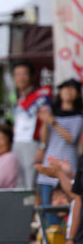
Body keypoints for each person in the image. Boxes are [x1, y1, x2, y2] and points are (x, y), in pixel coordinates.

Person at [36, 78, 83, 226]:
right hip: (48, 166)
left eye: (72, 89)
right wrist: (45, 121)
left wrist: (53, 122)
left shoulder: (79, 117)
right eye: (65, 88)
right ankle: (52, 242)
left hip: (67, 169)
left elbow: (71, 138)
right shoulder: (52, 113)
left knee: (69, 208)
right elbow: (44, 139)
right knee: (48, 210)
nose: (68, 92)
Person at [10, 60, 52, 190]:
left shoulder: (41, 97)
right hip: (17, 144)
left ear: (31, 76)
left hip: (32, 144)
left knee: (31, 185)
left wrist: (42, 146)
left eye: (24, 74)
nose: (20, 78)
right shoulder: (18, 98)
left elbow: (46, 122)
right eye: (17, 75)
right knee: (18, 183)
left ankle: (33, 211)